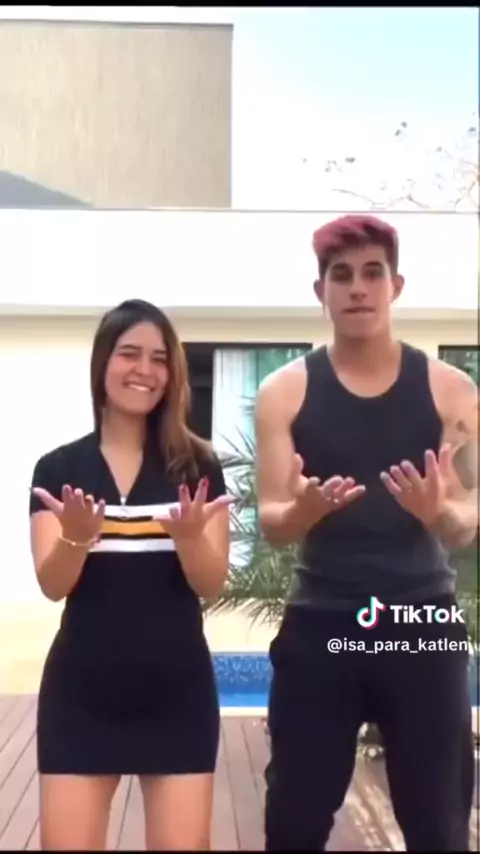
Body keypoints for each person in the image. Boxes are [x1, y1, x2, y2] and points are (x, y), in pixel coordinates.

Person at [254, 215, 478, 851]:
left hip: (420, 618)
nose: (357, 287)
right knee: (294, 822)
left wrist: (438, 513)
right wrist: (304, 510)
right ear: (320, 291)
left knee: (438, 824)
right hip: (322, 620)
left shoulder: (451, 392)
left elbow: (468, 520)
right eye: (342, 275)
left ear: (396, 286)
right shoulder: (284, 393)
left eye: (372, 273)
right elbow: (273, 520)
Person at [29, 299, 232, 851]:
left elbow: (210, 583)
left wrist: (189, 539)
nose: (145, 370)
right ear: (103, 363)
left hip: (178, 695)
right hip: (81, 695)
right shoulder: (59, 469)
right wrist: (76, 535)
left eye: (159, 359)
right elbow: (53, 585)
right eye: (129, 353)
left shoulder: (198, 467)